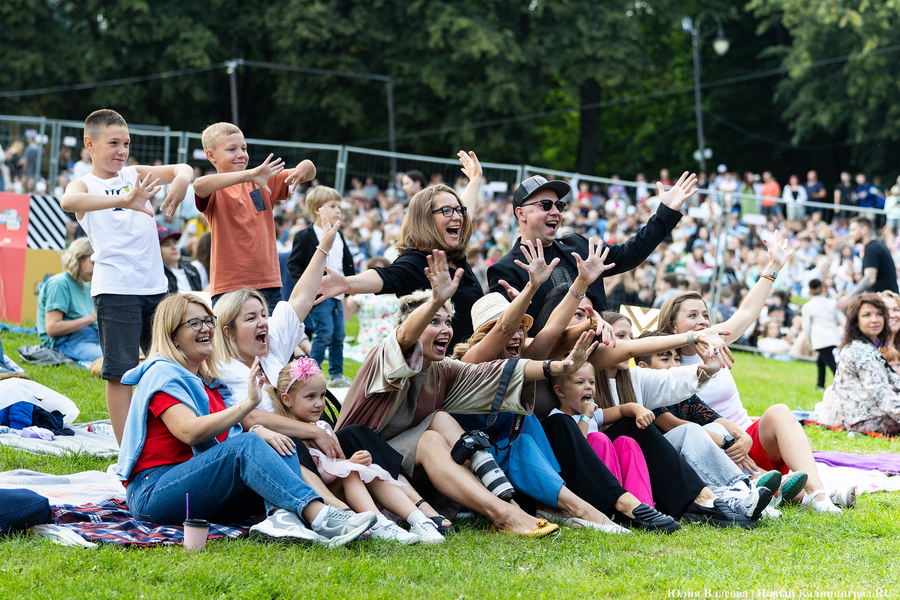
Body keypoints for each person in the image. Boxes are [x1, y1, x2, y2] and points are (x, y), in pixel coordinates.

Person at [215, 210, 457, 536]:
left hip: (313, 446)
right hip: (278, 458)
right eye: (251, 319)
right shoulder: (223, 370)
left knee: (357, 434)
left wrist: (324, 246)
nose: (263, 323)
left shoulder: (270, 346)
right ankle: (339, 512)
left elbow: (301, 296)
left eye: (263, 314)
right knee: (289, 441)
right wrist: (314, 432)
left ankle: (420, 511)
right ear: (229, 332)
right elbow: (249, 421)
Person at [336, 250, 607, 537]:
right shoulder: (385, 355)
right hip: (360, 462)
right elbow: (411, 336)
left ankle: (528, 508)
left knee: (451, 422)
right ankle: (507, 512)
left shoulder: (445, 369)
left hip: (432, 468)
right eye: (434, 321)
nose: (445, 329)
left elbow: (513, 366)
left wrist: (561, 365)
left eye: (448, 322)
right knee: (434, 436)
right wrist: (438, 300)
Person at [116, 293, 376, 546]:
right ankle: (320, 516)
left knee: (276, 441)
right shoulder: (163, 374)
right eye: (194, 323)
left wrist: (262, 431)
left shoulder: (208, 384)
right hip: (154, 492)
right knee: (248, 443)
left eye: (209, 321)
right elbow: (189, 432)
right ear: (173, 337)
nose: (205, 328)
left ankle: (281, 518)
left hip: (195, 489)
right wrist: (247, 407)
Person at [657, 232, 852, 514]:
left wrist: (773, 267)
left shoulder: (717, 339)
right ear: (673, 326)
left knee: (780, 411)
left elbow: (747, 312)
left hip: (747, 436)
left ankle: (819, 494)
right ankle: (789, 491)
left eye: (705, 315)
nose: (702, 321)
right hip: (717, 450)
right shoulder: (663, 361)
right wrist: (728, 442)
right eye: (692, 316)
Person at [60, 109, 194, 444]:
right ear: (90, 144)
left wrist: (180, 179)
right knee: (120, 373)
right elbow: (68, 200)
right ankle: (127, 452)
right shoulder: (86, 184)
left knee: (172, 364)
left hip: (156, 288)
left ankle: (173, 436)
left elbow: (184, 168)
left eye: (127, 143)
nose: (122, 150)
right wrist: (124, 198)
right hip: (115, 290)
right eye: (114, 143)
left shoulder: (135, 172)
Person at [315, 151, 485, 350]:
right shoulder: (416, 262)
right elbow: (386, 276)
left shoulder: (454, 253)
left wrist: (475, 179)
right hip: (443, 372)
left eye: (458, 210)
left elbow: (467, 211)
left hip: (474, 360)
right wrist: (347, 283)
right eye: (447, 211)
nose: (457, 216)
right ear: (426, 219)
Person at [265, 357, 444, 544]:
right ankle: (379, 524)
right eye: (310, 397)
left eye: (322, 395)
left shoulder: (324, 427)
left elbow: (335, 460)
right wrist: (349, 465)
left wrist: (354, 461)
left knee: (373, 472)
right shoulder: (282, 436)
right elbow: (311, 478)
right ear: (287, 400)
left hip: (340, 487)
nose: (319, 403)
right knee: (350, 473)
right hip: (320, 500)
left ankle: (418, 519)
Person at [487, 172, 695, 326]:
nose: (555, 212)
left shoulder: (576, 244)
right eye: (545, 205)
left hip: (596, 362)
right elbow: (511, 334)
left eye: (558, 206)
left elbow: (628, 254)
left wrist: (665, 212)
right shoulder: (505, 270)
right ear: (520, 213)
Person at [193, 122, 317, 314]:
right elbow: (199, 185)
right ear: (211, 156)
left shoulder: (263, 181)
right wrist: (249, 174)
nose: (241, 154)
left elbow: (308, 170)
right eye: (232, 149)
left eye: (244, 148)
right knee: (232, 343)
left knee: (271, 341)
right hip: (230, 287)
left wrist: (305, 166)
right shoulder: (216, 188)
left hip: (268, 283)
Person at [286, 186, 355, 387]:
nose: (338, 210)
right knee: (324, 332)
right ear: (318, 209)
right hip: (320, 294)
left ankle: (335, 375)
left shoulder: (339, 235)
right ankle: (310, 372)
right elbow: (294, 264)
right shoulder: (305, 235)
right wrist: (311, 285)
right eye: (333, 206)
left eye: (339, 206)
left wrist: (350, 284)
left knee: (338, 334)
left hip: (338, 294)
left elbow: (346, 262)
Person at [820, 294, 900, 436]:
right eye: (866, 315)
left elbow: (893, 381)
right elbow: (882, 394)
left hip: (871, 417)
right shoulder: (860, 350)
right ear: (856, 320)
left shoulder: (865, 346)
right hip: (866, 421)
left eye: (879, 314)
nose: (874, 320)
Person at [36, 238, 102, 363]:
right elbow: (52, 328)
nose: (97, 269)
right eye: (93, 264)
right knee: (118, 360)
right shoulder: (60, 283)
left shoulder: (85, 286)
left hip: (93, 338)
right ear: (79, 258)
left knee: (139, 352)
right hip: (69, 341)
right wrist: (91, 318)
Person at [838, 217, 899, 311]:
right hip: (887, 302)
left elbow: (870, 278)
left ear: (864, 229)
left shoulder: (872, 248)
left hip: (886, 304)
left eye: (853, 230)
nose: (850, 233)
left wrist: (851, 296)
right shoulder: (877, 246)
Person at [802, 279, 843, 390]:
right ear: (823, 289)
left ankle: (842, 383)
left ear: (809, 292)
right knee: (821, 361)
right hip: (832, 337)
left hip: (819, 338)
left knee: (830, 362)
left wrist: (809, 343)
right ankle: (820, 384)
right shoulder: (832, 303)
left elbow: (806, 327)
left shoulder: (808, 306)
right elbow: (843, 320)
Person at [158, 227, 202, 295]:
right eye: (167, 245)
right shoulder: (159, 275)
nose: (174, 247)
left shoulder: (192, 269)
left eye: (175, 243)